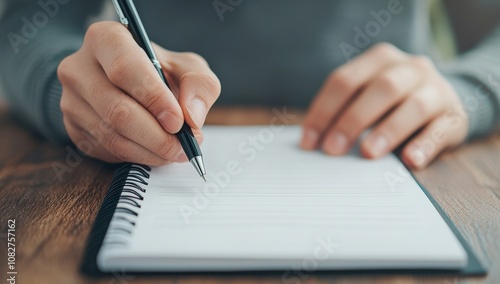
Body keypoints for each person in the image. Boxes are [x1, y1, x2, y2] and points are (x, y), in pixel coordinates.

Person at [1, 0, 499, 169]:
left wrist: (471, 88)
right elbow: (26, 22)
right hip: (145, 135)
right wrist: (63, 84)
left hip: (400, 134)